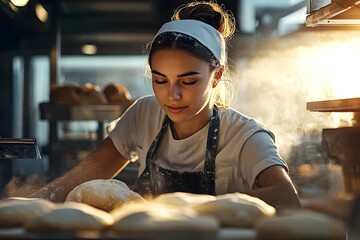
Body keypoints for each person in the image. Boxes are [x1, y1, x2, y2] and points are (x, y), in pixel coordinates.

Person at [27, 1, 301, 210]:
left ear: (216, 75)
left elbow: (287, 198)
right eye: (160, 81)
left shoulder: (244, 136)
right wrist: (29, 204)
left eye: (188, 81)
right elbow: (80, 178)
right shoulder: (144, 114)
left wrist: (186, 208)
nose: (173, 96)